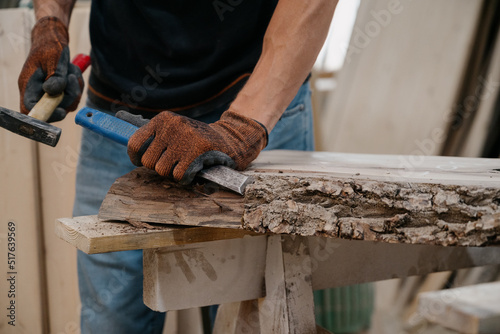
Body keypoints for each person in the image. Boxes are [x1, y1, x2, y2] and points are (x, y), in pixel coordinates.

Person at [19, 0, 338, 332]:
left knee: (258, 319)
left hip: (258, 100)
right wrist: (50, 22)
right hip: (123, 117)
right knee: (111, 321)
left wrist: (241, 129)